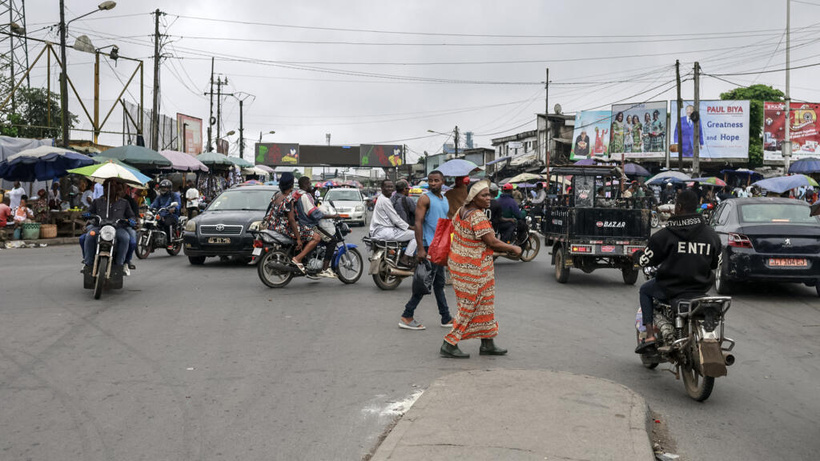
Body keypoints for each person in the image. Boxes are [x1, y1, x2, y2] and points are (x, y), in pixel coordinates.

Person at [441, 180, 522, 358]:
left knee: (485, 304)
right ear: (473, 197)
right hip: (472, 267)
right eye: (484, 195)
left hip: (462, 263)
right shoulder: (477, 216)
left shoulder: (461, 211)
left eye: (489, 194)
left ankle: (487, 342)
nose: (489, 198)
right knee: (470, 305)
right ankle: (449, 343)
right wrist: (513, 248)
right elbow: (492, 242)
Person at [634, 190, 721, 353]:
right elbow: (715, 263)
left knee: (645, 290)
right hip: (700, 288)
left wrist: (636, 256)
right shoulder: (711, 235)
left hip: (671, 287)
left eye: (675, 205)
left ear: (679, 207)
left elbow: (646, 260)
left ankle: (650, 336)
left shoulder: (664, 235)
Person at [400, 170, 453, 330]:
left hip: (440, 246)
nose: (433, 183)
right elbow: (418, 223)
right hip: (429, 246)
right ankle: (407, 315)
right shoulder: (425, 198)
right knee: (424, 282)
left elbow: (443, 223)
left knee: (439, 283)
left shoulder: (444, 199)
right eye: (430, 180)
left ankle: (445, 317)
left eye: (436, 180)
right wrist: (421, 249)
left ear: (443, 181)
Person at [263, 172, 320, 271]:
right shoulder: (289, 199)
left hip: (272, 224)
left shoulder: (277, 194)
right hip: (282, 227)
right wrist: (298, 239)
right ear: (291, 184)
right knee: (316, 237)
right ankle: (298, 258)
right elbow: (292, 220)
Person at [293, 176, 341, 278]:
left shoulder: (298, 194)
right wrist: (332, 216)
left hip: (301, 224)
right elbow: (314, 213)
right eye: (310, 184)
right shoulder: (305, 196)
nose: (311, 186)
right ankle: (325, 269)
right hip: (309, 225)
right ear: (306, 185)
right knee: (332, 241)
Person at [82, 180, 134, 273]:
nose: (107, 189)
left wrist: (131, 221)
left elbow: (131, 216)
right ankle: (88, 264)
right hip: (99, 228)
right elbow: (89, 212)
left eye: (111, 187)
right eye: (105, 187)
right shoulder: (97, 201)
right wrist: (86, 215)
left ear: (116, 189)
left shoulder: (124, 202)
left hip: (118, 228)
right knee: (89, 236)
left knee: (125, 238)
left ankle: (120, 265)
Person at [369, 179, 417, 266]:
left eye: (391, 187)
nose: (389, 189)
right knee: (416, 235)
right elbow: (396, 219)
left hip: (377, 230)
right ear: (382, 188)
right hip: (385, 231)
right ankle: (405, 258)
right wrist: (410, 227)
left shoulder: (382, 198)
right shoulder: (386, 200)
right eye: (387, 187)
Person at [150, 179, 181, 250]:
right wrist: (150, 207)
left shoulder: (174, 195)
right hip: (161, 215)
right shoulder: (159, 197)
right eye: (162, 188)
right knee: (152, 223)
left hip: (172, 215)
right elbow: (154, 204)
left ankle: (170, 243)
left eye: (166, 188)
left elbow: (178, 204)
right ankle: (152, 242)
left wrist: (174, 208)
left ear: (169, 188)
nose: (164, 189)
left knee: (167, 224)